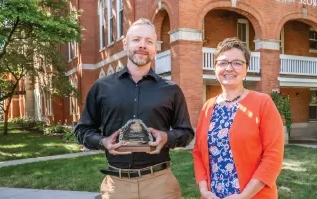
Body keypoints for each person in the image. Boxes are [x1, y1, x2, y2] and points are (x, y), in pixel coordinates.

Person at [74, 18, 194, 199]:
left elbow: (186, 133)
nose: (142, 46)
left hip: (160, 184)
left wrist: (166, 137)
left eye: (149, 41)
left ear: (156, 47)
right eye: (137, 40)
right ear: (125, 44)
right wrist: (103, 142)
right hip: (117, 186)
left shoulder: (171, 90)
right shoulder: (102, 87)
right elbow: (82, 129)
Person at [192, 37, 284, 199]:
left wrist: (244, 196)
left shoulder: (263, 103)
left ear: (246, 69)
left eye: (237, 63)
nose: (229, 68)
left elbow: (273, 156)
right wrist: (204, 190)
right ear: (215, 68)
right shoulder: (208, 107)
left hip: (253, 196)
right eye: (222, 63)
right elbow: (198, 152)